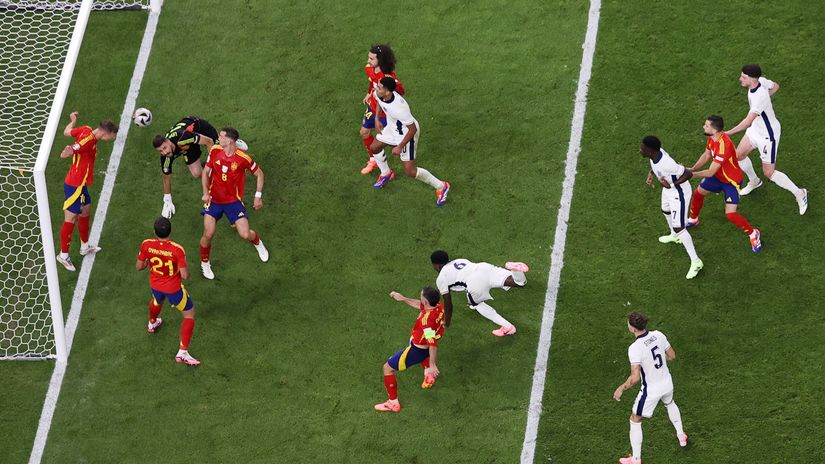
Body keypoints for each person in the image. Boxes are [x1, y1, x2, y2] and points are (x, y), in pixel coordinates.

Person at [726, 64, 808, 214]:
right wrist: (765, 103)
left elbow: (748, 121)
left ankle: (800, 193)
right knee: (739, 155)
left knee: (769, 173)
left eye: (743, 77)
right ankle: (754, 181)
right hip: (756, 129)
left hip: (767, 136)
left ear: (752, 79)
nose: (740, 79)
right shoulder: (761, 81)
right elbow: (776, 86)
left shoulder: (759, 96)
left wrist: (728, 133)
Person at [613, 312, 688, 464]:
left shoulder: (635, 348)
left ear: (633, 329)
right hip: (667, 382)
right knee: (670, 403)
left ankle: (635, 459)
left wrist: (621, 387)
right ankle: (681, 436)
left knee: (635, 419)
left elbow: (634, 378)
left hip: (651, 390)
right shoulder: (658, 335)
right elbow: (672, 355)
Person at [199, 127, 269, 280]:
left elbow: (259, 173)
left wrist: (258, 196)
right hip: (214, 200)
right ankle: (205, 263)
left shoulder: (243, 158)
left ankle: (257, 243)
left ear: (230, 140)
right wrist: (205, 192)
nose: (218, 138)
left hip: (233, 202)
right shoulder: (215, 150)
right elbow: (205, 172)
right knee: (208, 233)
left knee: (245, 234)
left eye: (221, 136)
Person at [370, 77, 451, 206]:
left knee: (410, 171)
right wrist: (377, 118)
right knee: (374, 148)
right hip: (392, 129)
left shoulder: (400, 108)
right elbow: (379, 101)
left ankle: (442, 186)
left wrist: (399, 146)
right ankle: (386, 173)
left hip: (406, 135)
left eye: (379, 87)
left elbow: (412, 129)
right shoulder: (380, 93)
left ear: (387, 92)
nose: (376, 88)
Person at [688, 115, 762, 252]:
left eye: (707, 126)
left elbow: (710, 172)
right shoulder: (712, 138)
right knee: (698, 193)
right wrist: (693, 168)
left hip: (731, 181)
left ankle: (753, 233)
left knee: (730, 214)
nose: (704, 127)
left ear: (715, 130)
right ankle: (693, 219)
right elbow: (706, 155)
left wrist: (691, 175)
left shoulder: (724, 146)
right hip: (718, 176)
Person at [55, 111, 118, 272]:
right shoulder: (88, 140)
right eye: (113, 135)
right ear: (106, 133)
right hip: (74, 184)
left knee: (86, 210)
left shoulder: (86, 129)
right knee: (70, 218)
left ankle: (84, 246)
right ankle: (63, 255)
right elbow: (75, 148)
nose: (113, 138)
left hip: (81, 184)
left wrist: (73, 121)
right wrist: (67, 152)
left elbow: (67, 132)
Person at [152, 115, 248, 218]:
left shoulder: (182, 138)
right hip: (188, 145)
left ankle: (231, 142)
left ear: (167, 141)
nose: (164, 152)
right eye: (161, 151)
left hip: (201, 129)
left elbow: (208, 141)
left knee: (222, 157)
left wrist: (213, 165)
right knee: (197, 173)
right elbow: (166, 177)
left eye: (165, 148)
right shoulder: (166, 156)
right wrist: (167, 199)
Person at [136, 217, 200, 366]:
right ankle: (183, 352)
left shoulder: (146, 244)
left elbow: (139, 266)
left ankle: (152, 322)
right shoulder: (177, 249)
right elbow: (185, 275)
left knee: (157, 300)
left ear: (154, 231)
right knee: (189, 314)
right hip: (173, 288)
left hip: (155, 284)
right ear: (171, 231)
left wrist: (148, 262)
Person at [639, 136, 703, 279]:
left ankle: (696, 261)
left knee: (680, 226)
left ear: (649, 150)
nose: (640, 150)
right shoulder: (656, 153)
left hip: (678, 193)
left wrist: (671, 185)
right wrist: (651, 173)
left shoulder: (667, 164)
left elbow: (688, 173)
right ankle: (675, 236)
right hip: (668, 190)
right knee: (665, 210)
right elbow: (654, 164)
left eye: (642, 148)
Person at [374, 287, 445, 413]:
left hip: (417, 350)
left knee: (387, 368)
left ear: (426, 302)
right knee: (426, 355)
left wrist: (433, 364)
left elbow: (432, 343)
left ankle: (393, 403)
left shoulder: (426, 322)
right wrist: (403, 298)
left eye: (421, 297)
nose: (420, 298)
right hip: (423, 346)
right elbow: (420, 305)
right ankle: (428, 375)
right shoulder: (438, 306)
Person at [431, 250, 528, 336]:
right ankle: (515, 270)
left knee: (477, 304)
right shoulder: (459, 260)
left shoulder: (441, 279)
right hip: (484, 267)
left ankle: (508, 327)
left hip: (475, 282)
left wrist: (446, 321)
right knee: (519, 283)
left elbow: (448, 303)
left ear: (437, 265)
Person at [359, 44, 405, 175]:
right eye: (368, 57)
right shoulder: (369, 69)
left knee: (392, 143)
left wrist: (390, 90)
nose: (368, 61)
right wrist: (370, 92)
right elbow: (372, 81)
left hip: (385, 113)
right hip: (373, 107)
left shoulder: (388, 77)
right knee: (364, 133)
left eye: (371, 59)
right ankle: (373, 160)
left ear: (380, 60)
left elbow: (401, 91)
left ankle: (404, 145)